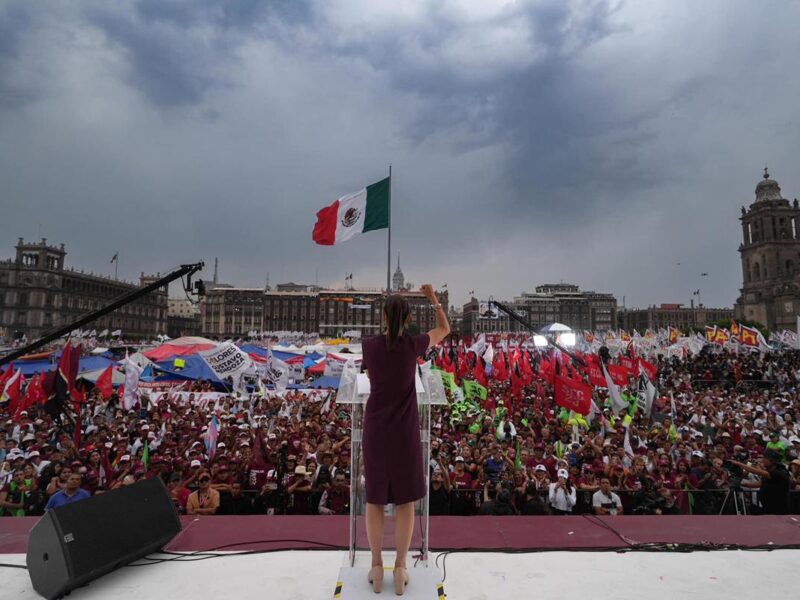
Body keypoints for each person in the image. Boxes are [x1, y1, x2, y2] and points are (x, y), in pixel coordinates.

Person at [361, 285, 449, 595]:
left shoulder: (369, 347)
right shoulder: (414, 345)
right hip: (404, 433)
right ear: (410, 317)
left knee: (374, 500)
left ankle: (375, 565)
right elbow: (444, 329)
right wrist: (433, 299)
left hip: (375, 431)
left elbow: (372, 379)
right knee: (404, 502)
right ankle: (400, 567)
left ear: (383, 316)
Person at [730, 449, 790, 514]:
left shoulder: (779, 472)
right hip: (768, 506)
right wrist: (741, 484)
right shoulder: (770, 472)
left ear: (772, 460)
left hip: (778, 507)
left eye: (764, 458)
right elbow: (760, 483)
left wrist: (739, 464)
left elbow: (759, 472)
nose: (762, 460)